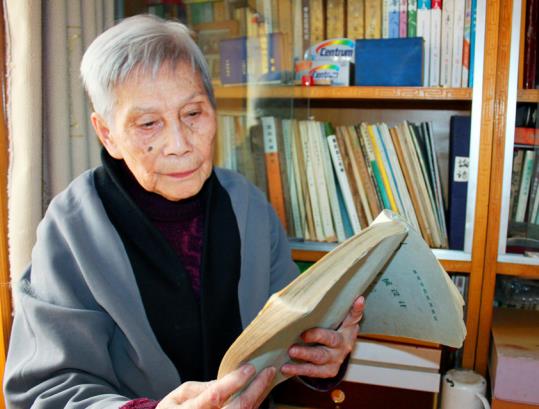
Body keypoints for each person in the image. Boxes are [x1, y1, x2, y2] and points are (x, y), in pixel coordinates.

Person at [3, 15, 364, 409]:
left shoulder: (247, 206)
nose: (179, 144)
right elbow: (44, 390)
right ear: (107, 134)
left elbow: (288, 339)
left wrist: (319, 354)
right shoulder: (72, 228)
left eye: (193, 114)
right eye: (148, 123)